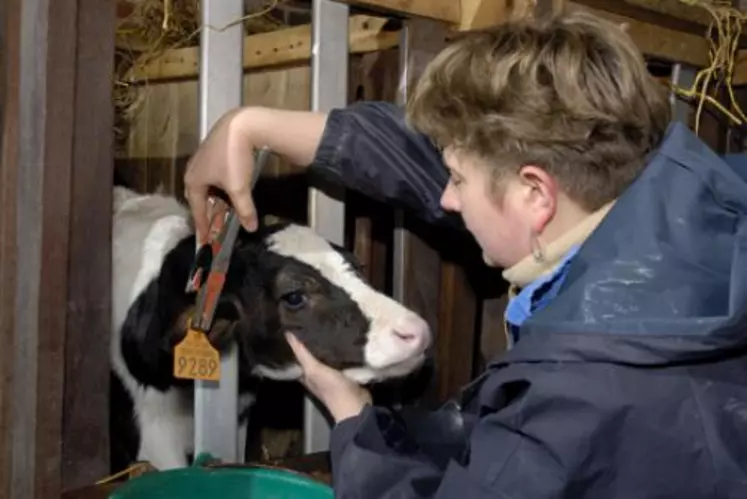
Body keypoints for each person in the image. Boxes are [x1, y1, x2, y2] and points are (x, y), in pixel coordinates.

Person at [183, 9, 747, 499]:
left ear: (535, 194)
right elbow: (427, 162)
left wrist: (355, 421)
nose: (445, 198)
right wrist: (249, 126)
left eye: (457, 179)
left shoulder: (578, 400)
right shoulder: (702, 206)